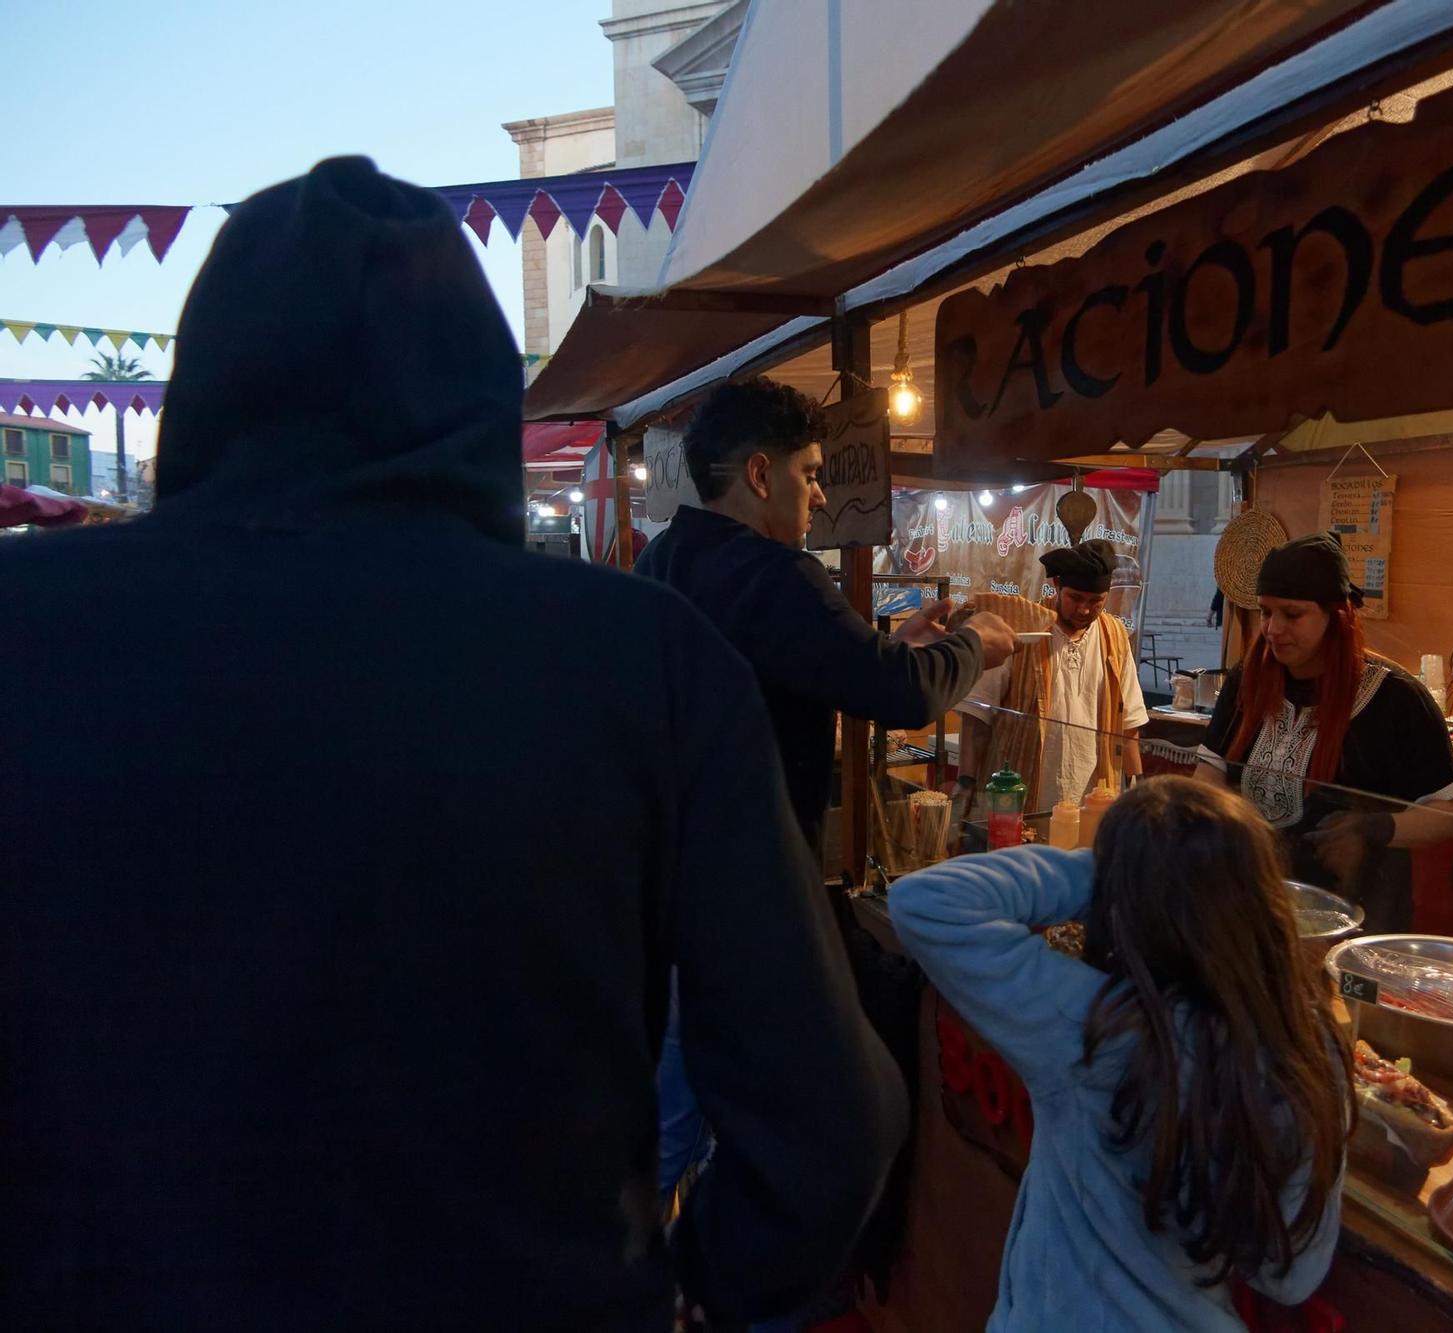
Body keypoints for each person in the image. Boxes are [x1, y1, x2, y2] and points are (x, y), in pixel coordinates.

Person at [0, 157, 904, 1331]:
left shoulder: (31, 630)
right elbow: (831, 1121)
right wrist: (681, 1288)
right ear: (477, 395)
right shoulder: (639, 659)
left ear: (207, 384)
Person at [888, 778, 1352, 1332]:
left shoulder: (1089, 1028)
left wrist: (1111, 872)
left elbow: (923, 900)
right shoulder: (1310, 1049)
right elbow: (1290, 1277)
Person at [634, 376, 1016, 856]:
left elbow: (804, 665)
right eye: (810, 474)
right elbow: (906, 696)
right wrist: (975, 642)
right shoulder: (778, 573)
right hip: (760, 864)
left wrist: (899, 650)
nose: (820, 497)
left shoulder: (659, 559)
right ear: (760, 475)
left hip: (678, 851)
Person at [1195, 532, 1453, 934]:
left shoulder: (1396, 700)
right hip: (1251, 900)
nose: (1272, 629)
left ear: (1337, 617)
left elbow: (1452, 814)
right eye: (1267, 613)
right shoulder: (1247, 682)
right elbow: (1211, 770)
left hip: (1355, 912)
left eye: (1292, 614)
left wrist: (1377, 827)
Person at [958, 540, 1147, 816]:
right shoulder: (1020, 629)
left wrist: (1140, 787)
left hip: (1091, 798)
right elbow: (977, 715)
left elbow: (1128, 721)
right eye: (1075, 598)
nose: (1084, 610)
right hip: (1018, 791)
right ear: (1057, 585)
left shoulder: (1115, 635)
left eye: (1096, 601)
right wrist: (966, 783)